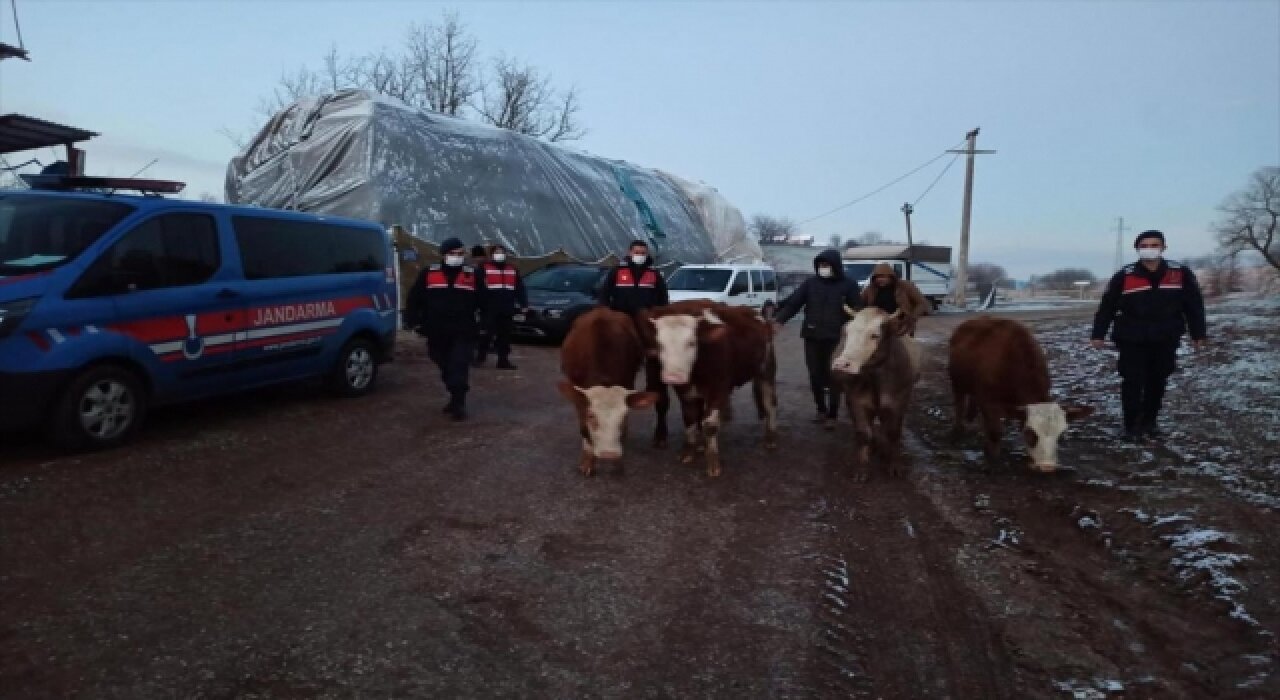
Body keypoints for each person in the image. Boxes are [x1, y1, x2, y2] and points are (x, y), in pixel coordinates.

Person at [1091, 229, 1207, 441]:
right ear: (1137, 249)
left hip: (1165, 337)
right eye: (1144, 246)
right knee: (1132, 381)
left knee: (1158, 380)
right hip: (1131, 338)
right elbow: (1107, 307)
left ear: (1163, 247)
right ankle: (1131, 426)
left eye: (1154, 245)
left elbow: (1193, 305)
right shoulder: (1125, 275)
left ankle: (1150, 422)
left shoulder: (1179, 273)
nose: (1149, 249)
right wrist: (1098, 334)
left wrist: (1198, 333)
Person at [773, 249, 864, 429]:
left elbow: (857, 308)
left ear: (835, 266)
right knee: (815, 374)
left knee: (834, 376)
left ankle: (833, 414)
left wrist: (849, 324)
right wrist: (780, 320)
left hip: (836, 337)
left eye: (827, 265)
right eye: (821, 265)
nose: (823, 268)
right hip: (812, 335)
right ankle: (820, 409)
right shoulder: (810, 284)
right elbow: (794, 303)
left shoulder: (849, 285)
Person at [404, 238, 487, 421]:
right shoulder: (429, 273)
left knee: (459, 364)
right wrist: (412, 320)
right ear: (444, 254)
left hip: (463, 329)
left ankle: (459, 403)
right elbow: (414, 298)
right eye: (452, 254)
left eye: (460, 254)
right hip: (436, 329)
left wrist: (485, 325)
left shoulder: (473, 274)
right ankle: (454, 392)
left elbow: (485, 301)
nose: (456, 257)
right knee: (442, 362)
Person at [474, 244, 529, 370]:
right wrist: (478, 304)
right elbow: (477, 288)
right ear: (492, 254)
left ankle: (503, 360)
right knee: (486, 335)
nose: (500, 254)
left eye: (502, 252)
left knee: (505, 336)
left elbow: (520, 288)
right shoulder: (483, 269)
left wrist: (524, 303)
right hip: (489, 309)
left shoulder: (512, 269)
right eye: (497, 252)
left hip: (507, 308)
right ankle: (480, 358)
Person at [599, 239, 669, 315]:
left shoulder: (654, 273)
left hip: (646, 317)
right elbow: (605, 293)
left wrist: (662, 312)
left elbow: (663, 296)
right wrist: (606, 311)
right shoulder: (618, 271)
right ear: (630, 253)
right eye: (637, 253)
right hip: (622, 317)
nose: (640, 256)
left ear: (647, 254)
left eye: (643, 253)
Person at [860, 262, 929, 335]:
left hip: (901, 325)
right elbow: (860, 303)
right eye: (877, 277)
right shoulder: (870, 289)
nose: (880, 279)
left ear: (891, 277)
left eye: (883, 277)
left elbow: (922, 303)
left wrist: (912, 317)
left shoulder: (906, 286)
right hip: (877, 325)